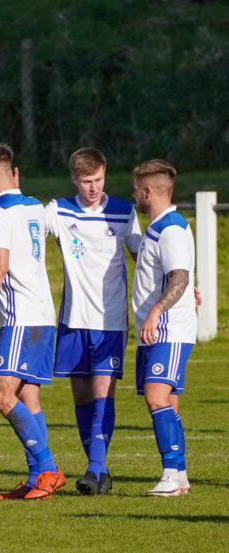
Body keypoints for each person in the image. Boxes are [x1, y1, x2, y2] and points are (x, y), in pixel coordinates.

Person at [0, 141, 64, 500]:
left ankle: (49, 468)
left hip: (20, 319)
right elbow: (10, 247)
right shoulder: (32, 206)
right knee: (27, 397)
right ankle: (37, 479)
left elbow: (0, 265)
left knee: (1, 395)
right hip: (43, 314)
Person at [42, 148, 141, 495]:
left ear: (105, 174)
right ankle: (100, 472)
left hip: (111, 320)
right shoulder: (58, 211)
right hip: (73, 319)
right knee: (82, 396)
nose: (94, 187)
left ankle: (93, 468)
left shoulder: (124, 212)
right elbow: (25, 237)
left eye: (98, 179)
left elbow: (143, 256)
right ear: (74, 180)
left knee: (102, 393)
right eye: (87, 181)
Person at [129, 160, 196, 496]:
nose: (134, 196)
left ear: (147, 191)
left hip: (168, 330)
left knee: (157, 397)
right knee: (166, 399)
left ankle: (170, 473)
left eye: (136, 190)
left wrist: (157, 309)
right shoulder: (160, 227)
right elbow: (176, 275)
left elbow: (180, 277)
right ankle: (180, 474)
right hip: (160, 330)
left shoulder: (169, 229)